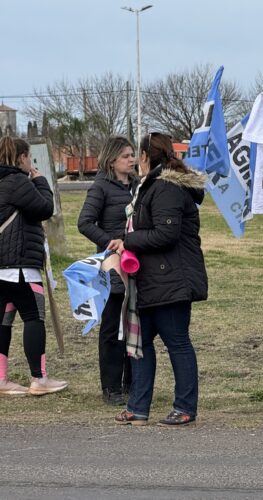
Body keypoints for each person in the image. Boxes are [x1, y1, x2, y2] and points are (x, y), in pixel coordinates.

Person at [114, 133, 208, 426]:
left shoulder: (167, 187)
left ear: (145, 156)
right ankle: (137, 408)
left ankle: (185, 407)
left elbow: (166, 233)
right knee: (140, 344)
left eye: (137, 155)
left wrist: (128, 240)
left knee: (177, 342)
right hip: (151, 279)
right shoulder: (151, 185)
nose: (133, 161)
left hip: (172, 280)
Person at [0, 137, 68, 396]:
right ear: (21, 158)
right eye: (29, 157)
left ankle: (1, 377)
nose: (31, 162)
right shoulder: (17, 181)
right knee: (33, 318)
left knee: (3, 322)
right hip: (20, 267)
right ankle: (39, 378)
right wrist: (41, 181)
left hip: (1, 268)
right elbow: (45, 208)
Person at [77, 136, 138, 405]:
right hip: (112, 265)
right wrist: (108, 242)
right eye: (126, 155)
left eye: (133, 154)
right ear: (113, 159)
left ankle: (132, 382)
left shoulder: (138, 186)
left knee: (134, 324)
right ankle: (111, 387)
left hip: (137, 263)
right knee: (112, 326)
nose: (131, 159)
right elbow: (84, 222)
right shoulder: (100, 187)